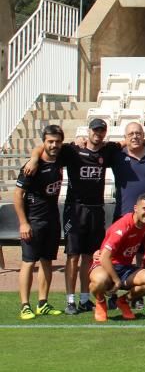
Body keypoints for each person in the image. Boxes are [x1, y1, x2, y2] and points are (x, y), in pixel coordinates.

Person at [28, 118, 115, 315]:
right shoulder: (72, 150)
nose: (98, 134)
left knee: (88, 257)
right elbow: (46, 147)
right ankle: (70, 301)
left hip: (96, 209)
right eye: (95, 130)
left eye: (101, 131)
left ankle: (85, 299)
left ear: (105, 133)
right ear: (89, 131)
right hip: (75, 210)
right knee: (73, 256)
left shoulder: (108, 150)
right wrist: (34, 158)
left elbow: (127, 144)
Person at [14, 125, 65, 320]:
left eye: (57, 141)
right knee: (28, 262)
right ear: (44, 142)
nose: (54, 145)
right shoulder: (31, 167)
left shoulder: (61, 157)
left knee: (47, 261)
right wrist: (23, 223)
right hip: (33, 221)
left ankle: (42, 303)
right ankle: (24, 305)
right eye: (50, 141)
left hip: (52, 218)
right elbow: (18, 195)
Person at [88, 194, 145, 322]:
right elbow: (104, 257)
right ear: (135, 208)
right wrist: (117, 281)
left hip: (124, 268)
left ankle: (123, 301)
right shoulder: (123, 226)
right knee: (99, 281)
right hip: (105, 265)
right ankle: (100, 301)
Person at [111, 122, 145, 221]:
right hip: (123, 216)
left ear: (143, 135)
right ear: (125, 137)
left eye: (138, 133)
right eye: (131, 134)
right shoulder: (116, 155)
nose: (135, 137)